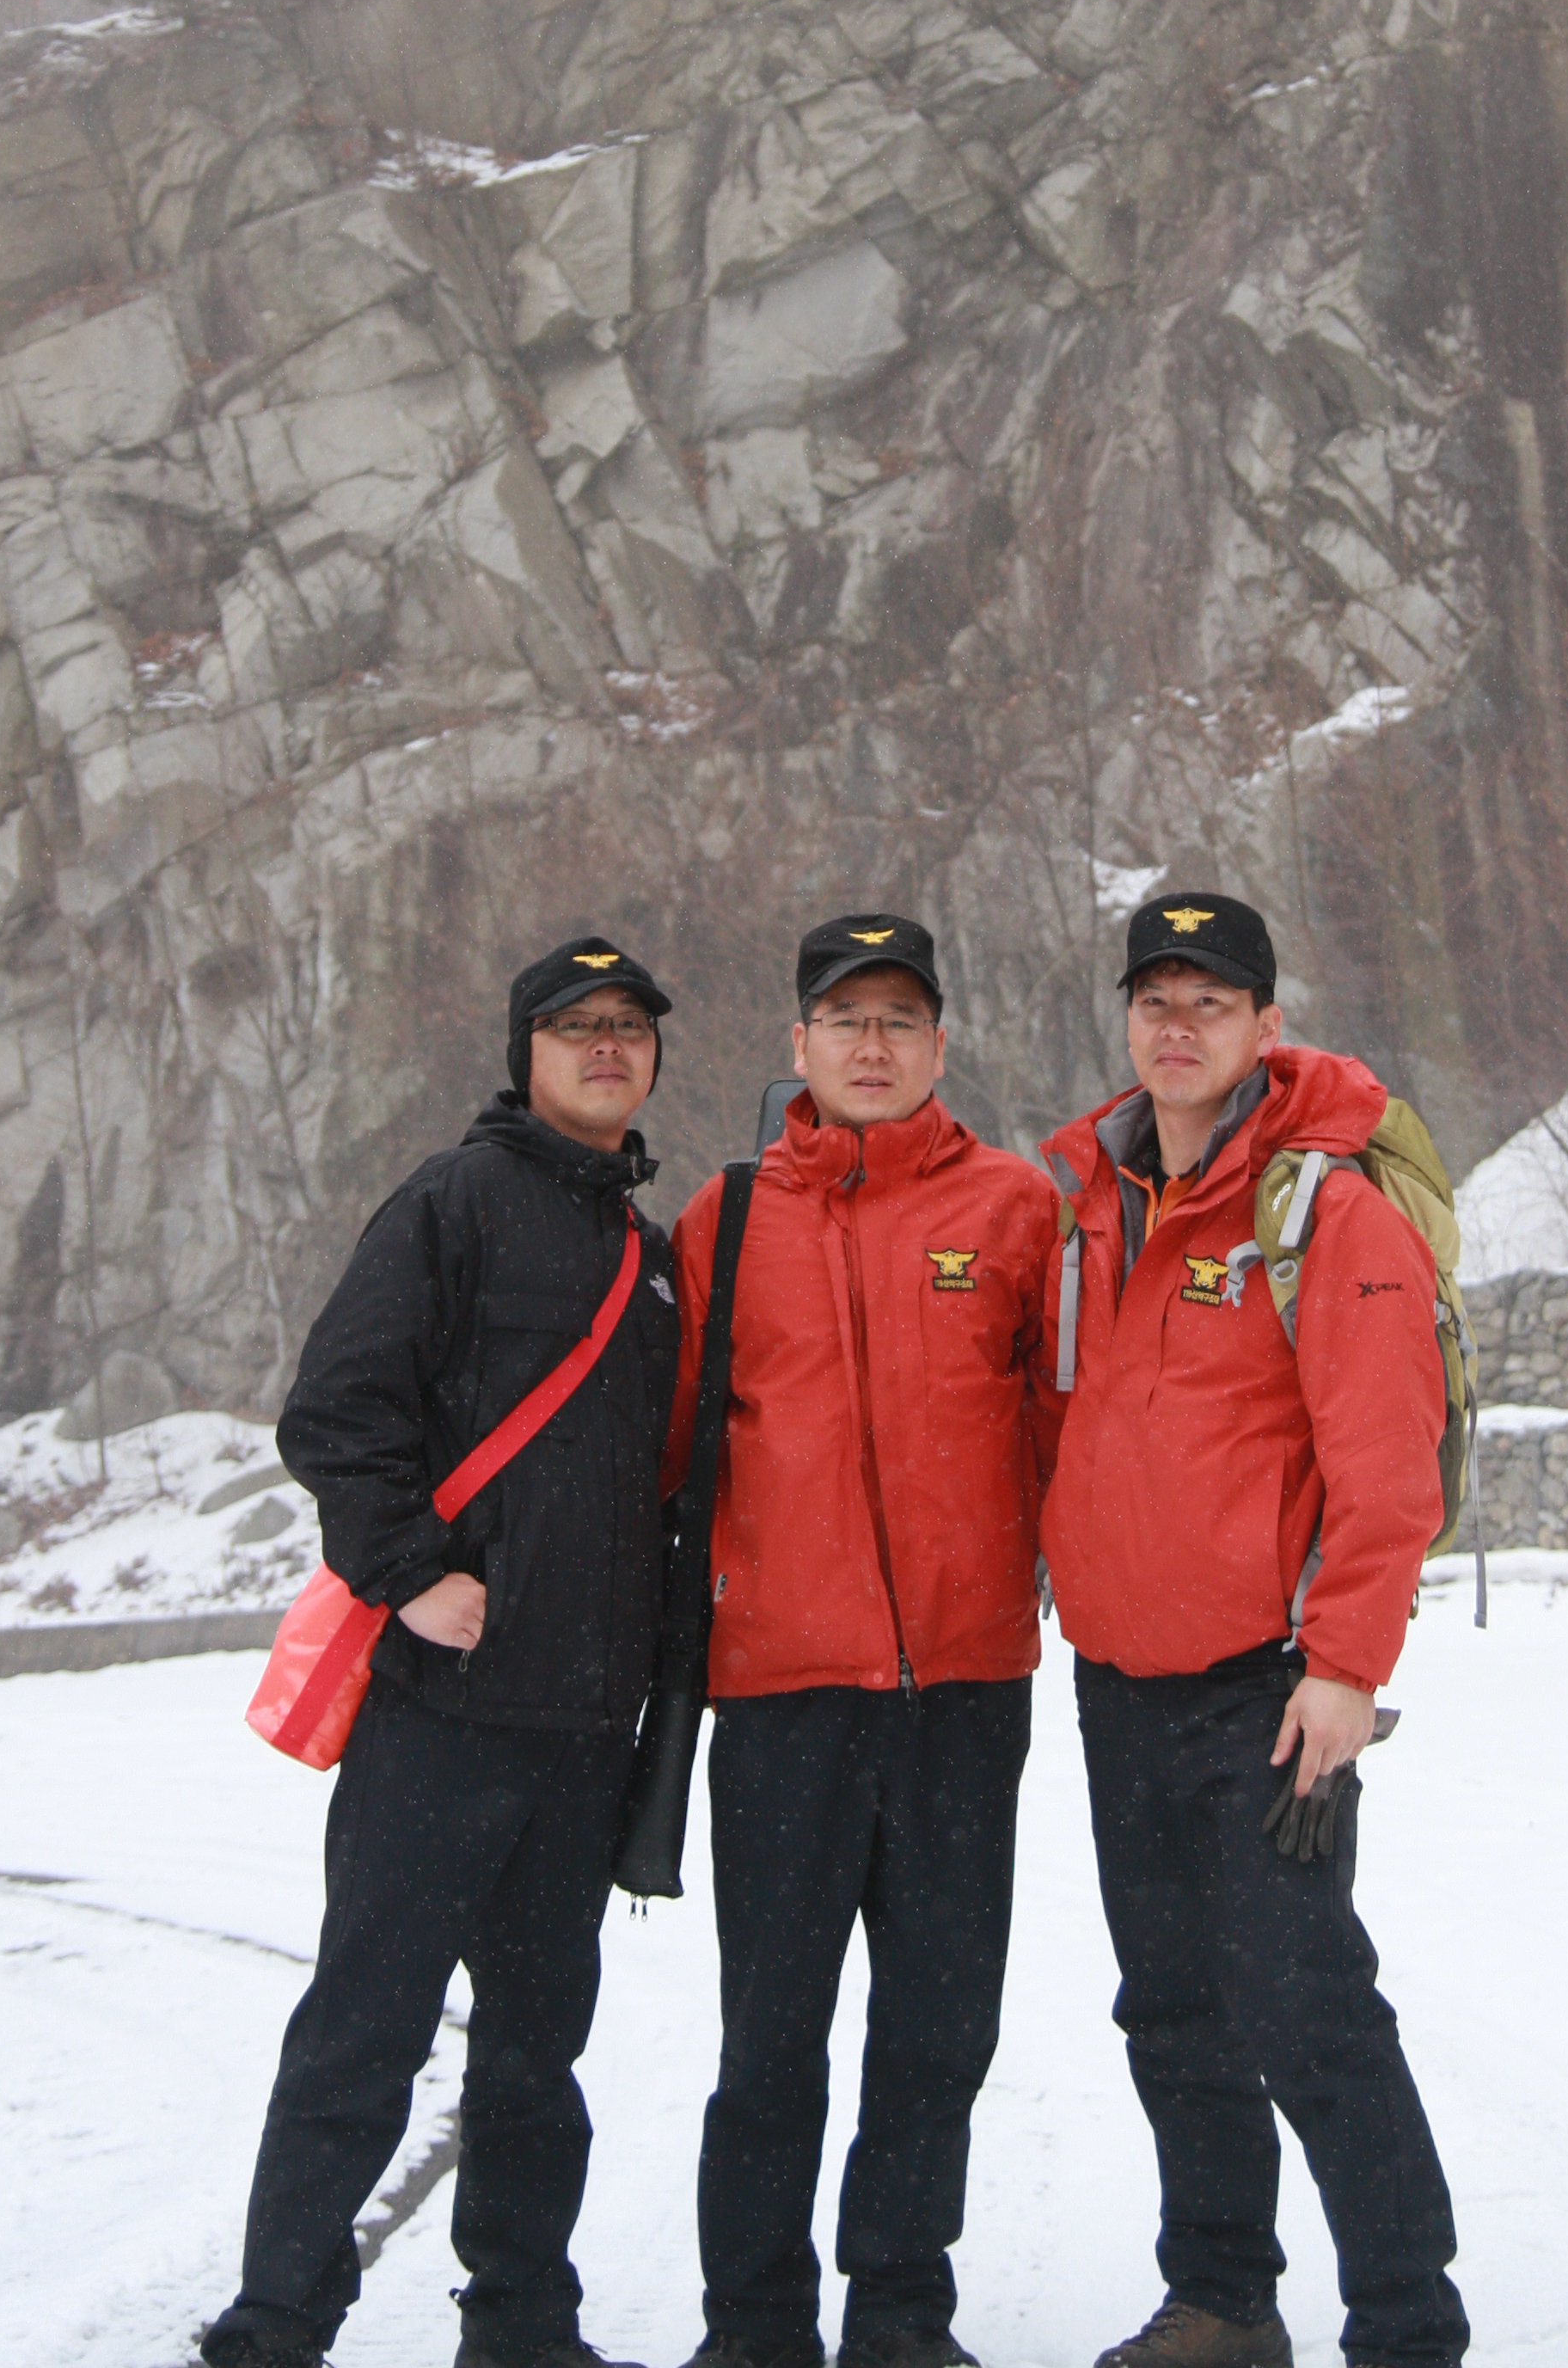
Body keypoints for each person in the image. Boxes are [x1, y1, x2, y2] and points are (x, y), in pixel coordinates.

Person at [200, 936, 680, 2368]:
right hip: (442, 1715)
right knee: (367, 2026)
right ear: (525, 1053)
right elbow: (336, 1410)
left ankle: (523, 2325)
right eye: (578, 1025)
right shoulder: (453, 1201)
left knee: (538, 2054)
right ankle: (277, 2321)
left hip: (583, 1733)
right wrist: (410, 1574)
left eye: (629, 1026)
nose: (608, 1046)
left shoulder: (652, 1260)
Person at [1037, 893, 1469, 2368]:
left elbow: (1386, 1466)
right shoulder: (1096, 1203)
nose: (1178, 1026)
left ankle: (1407, 2324)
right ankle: (1223, 2301)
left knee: (1307, 2009)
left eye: (1209, 1003)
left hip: (1269, 1690)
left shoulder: (1325, 1212)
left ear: (1266, 1026)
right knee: (1171, 2009)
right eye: (1155, 999)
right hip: (1118, 1681)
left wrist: (1346, 1667)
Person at [665, 912, 1060, 2368]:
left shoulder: (1016, 1207)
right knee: (770, 2034)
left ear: (941, 1044)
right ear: (799, 1045)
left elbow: (1067, 1430)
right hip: (783, 1695)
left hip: (965, 1692)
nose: (873, 1045)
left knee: (939, 2028)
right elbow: (673, 1448)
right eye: (846, 1020)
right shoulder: (727, 1220)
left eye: (900, 1020)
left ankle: (900, 2311)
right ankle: (755, 2323)